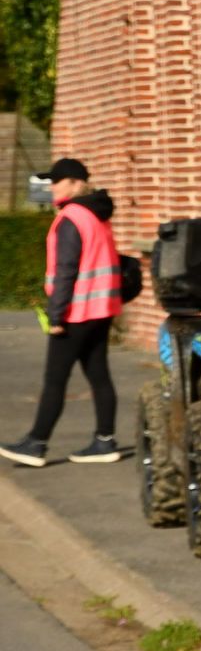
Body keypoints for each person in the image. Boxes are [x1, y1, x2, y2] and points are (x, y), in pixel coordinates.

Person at [1, 159, 125, 467]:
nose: (52, 187)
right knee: (99, 375)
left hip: (76, 312)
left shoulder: (71, 217)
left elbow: (66, 270)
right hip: (102, 308)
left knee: (55, 380)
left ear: (74, 182)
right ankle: (105, 441)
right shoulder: (97, 214)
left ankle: (36, 444)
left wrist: (57, 316)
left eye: (57, 181)